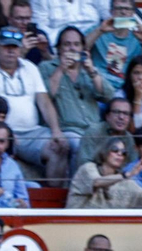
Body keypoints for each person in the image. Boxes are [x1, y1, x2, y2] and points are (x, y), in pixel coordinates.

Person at [0, 25, 68, 178]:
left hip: (32, 132)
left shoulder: (30, 67)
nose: (11, 51)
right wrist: (7, 132)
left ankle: (52, 193)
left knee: (60, 147)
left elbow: (44, 102)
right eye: (6, 46)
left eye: (15, 47)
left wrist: (56, 130)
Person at [40, 23, 103, 158]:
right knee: (81, 146)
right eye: (67, 44)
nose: (72, 48)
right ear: (59, 48)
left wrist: (92, 72)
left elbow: (107, 95)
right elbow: (46, 96)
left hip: (94, 130)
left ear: (82, 48)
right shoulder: (46, 67)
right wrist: (61, 69)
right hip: (69, 131)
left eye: (76, 44)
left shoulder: (89, 69)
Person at [66, 133, 142, 207]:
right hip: (75, 224)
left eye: (123, 153)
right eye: (115, 150)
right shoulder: (88, 168)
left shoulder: (124, 181)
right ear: (104, 151)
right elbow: (96, 182)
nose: (120, 154)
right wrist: (125, 175)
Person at [85, 0, 142, 89]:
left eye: (127, 9)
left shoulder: (137, 37)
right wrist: (100, 31)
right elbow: (80, 50)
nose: (123, 12)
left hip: (124, 89)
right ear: (111, 11)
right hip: (98, 84)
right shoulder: (97, 30)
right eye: (119, 8)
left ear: (133, 13)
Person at [75, 93, 133, 167]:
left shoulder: (129, 138)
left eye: (126, 113)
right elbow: (84, 163)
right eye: (116, 112)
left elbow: (132, 165)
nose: (121, 117)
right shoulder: (93, 132)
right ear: (107, 116)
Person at [114, 53, 142, 131]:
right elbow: (134, 129)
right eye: (136, 73)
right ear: (129, 75)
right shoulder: (119, 96)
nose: (140, 77)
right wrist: (138, 98)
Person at [4, 0, 48, 65]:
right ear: (9, 19)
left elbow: (51, 64)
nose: (24, 22)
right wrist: (22, 52)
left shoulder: (39, 34)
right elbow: (5, 67)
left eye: (27, 18)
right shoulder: (4, 37)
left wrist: (44, 51)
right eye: (19, 18)